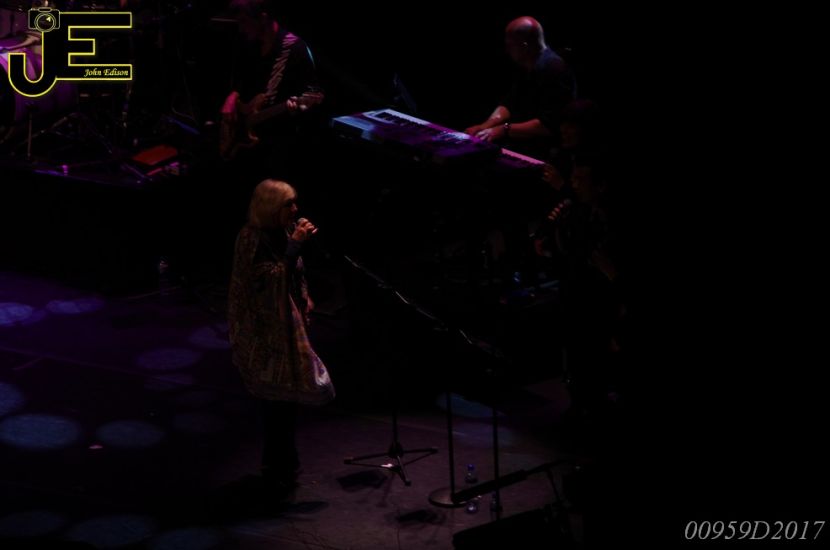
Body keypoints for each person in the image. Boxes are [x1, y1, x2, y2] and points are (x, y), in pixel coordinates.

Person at [227, 179, 335, 496]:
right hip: (264, 330)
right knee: (275, 402)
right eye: (289, 204)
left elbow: (295, 271)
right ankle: (276, 468)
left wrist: (304, 295)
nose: (295, 209)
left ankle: (285, 464)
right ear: (272, 207)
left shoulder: (285, 232)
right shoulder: (251, 237)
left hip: (287, 323)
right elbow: (264, 281)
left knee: (287, 401)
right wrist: (294, 246)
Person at [218, 0, 324, 179]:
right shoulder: (250, 45)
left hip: (278, 143)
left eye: (244, 22)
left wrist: (297, 109)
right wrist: (232, 96)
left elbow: (312, 93)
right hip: (248, 138)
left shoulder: (294, 47)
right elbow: (241, 80)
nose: (241, 28)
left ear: (263, 18)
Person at [464, 16, 577, 159]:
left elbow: (549, 124)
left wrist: (503, 129)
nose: (507, 50)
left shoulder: (554, 70)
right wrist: (485, 126)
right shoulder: (526, 66)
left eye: (510, 45)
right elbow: (509, 103)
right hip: (522, 145)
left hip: (543, 153)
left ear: (524, 46)